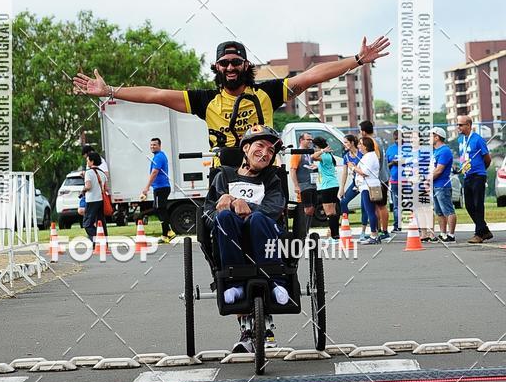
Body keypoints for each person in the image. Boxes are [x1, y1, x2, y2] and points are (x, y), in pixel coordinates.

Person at [73, 36, 391, 165]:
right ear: (216, 68)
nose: (229, 68)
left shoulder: (267, 92)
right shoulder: (205, 100)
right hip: (224, 171)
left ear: (245, 67)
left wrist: (357, 60)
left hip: (266, 170)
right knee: (215, 226)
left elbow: (310, 75)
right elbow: (155, 95)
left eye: (235, 63)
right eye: (223, 63)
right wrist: (110, 90)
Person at [204, 125, 289, 352]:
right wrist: (229, 205)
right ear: (246, 147)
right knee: (224, 217)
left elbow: (273, 209)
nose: (265, 153)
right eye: (260, 146)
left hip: (264, 236)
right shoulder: (224, 177)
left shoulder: (271, 178)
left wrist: (242, 204)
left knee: (258, 219)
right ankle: (236, 288)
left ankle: (276, 284)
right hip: (232, 242)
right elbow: (207, 213)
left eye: (271, 151)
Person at [457, 115, 493, 244]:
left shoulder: (478, 139)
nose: (458, 127)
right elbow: (463, 157)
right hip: (467, 175)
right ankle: (485, 230)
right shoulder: (461, 140)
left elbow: (487, 158)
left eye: (460, 125)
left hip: (478, 175)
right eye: (457, 125)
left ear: (468, 125)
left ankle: (479, 234)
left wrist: (481, 170)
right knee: (469, 205)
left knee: (478, 204)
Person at [359, 120, 390, 240]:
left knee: (380, 205)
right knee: (377, 206)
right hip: (382, 176)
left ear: (363, 131)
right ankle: (377, 230)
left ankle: (384, 231)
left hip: (379, 178)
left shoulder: (373, 143)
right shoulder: (378, 140)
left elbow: (375, 161)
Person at [140, 137, 173, 243]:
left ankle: (167, 233)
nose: (152, 147)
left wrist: (146, 187)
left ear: (159, 145)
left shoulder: (158, 157)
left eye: (155, 145)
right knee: (158, 209)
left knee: (160, 210)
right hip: (160, 188)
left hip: (161, 187)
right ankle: (167, 232)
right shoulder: (158, 156)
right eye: (151, 145)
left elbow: (154, 172)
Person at [353, 136, 381, 245]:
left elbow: (365, 172)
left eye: (360, 144)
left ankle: (374, 234)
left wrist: (353, 168)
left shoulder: (369, 156)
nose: (358, 146)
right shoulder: (368, 156)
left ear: (365, 146)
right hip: (367, 186)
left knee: (370, 211)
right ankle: (375, 234)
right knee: (370, 211)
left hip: (368, 186)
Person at [311, 136, 340, 240]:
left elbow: (313, 157)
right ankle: (336, 234)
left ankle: (334, 235)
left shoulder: (324, 154)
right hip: (334, 184)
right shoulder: (328, 155)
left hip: (327, 186)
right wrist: (318, 167)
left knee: (329, 212)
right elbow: (326, 166)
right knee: (333, 211)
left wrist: (322, 150)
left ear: (318, 146)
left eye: (314, 146)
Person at [338, 134, 367, 239]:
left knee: (364, 206)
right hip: (355, 183)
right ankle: (346, 226)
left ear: (352, 142)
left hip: (364, 182)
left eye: (346, 142)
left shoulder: (361, 154)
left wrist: (354, 167)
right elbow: (345, 173)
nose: (344, 144)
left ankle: (363, 231)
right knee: (343, 201)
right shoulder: (346, 156)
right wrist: (342, 188)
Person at [289, 131, 317, 236]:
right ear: (301, 140)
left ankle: (306, 232)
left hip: (312, 184)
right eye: (308, 139)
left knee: (312, 209)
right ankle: (302, 233)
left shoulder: (308, 152)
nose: (310, 141)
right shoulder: (298, 152)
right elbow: (292, 170)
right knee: (307, 209)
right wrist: (296, 186)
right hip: (304, 185)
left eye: (311, 140)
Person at [431, 127, 456, 243]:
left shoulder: (444, 151)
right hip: (435, 185)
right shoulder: (435, 151)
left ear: (437, 137)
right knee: (439, 211)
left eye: (431, 136)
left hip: (442, 185)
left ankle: (451, 234)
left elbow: (439, 170)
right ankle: (443, 233)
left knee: (448, 210)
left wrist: (426, 180)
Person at [80, 151, 108, 244]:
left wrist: (83, 191)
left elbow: (88, 186)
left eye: (87, 160)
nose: (87, 163)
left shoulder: (89, 173)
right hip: (100, 200)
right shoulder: (102, 173)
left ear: (92, 161)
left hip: (92, 200)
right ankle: (104, 241)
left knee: (87, 224)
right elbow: (105, 188)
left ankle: (98, 239)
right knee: (101, 222)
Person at [385, 130, 402, 233]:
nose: (398, 140)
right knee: (396, 205)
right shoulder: (390, 149)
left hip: (407, 181)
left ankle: (416, 225)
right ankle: (397, 225)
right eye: (396, 139)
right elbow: (386, 165)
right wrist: (393, 163)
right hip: (395, 181)